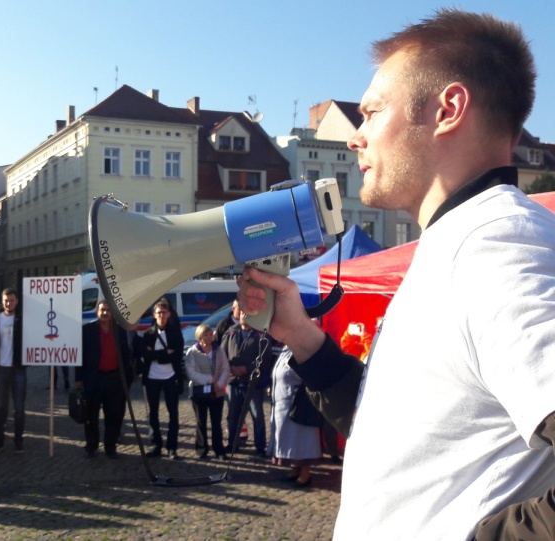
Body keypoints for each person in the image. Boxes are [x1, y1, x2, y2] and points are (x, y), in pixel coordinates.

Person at [236, 10, 555, 539]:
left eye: (372, 112)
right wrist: (303, 339)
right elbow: (406, 438)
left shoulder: (496, 246)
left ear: (448, 110)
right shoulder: (458, 241)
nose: (356, 138)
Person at [76, 300, 132, 459]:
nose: (105, 313)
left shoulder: (120, 330)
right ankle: (91, 446)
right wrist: (78, 378)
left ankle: (110, 446)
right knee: (91, 416)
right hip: (94, 378)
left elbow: (126, 354)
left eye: (108, 310)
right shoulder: (87, 330)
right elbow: (80, 356)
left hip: (114, 379)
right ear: (97, 312)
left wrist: (126, 378)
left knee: (114, 415)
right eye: (102, 310)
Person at [219, 306, 276, 456]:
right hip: (234, 382)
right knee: (233, 416)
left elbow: (264, 358)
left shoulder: (261, 334)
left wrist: (246, 368)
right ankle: (232, 443)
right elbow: (222, 353)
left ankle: (260, 446)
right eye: (243, 313)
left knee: (257, 416)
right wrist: (230, 367)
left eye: (248, 313)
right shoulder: (231, 331)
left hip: (252, 383)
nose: (244, 315)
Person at [268, 346, 321, 488]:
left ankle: (305, 474)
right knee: (290, 440)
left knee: (301, 439)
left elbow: (308, 374)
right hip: (282, 401)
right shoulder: (286, 349)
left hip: (297, 403)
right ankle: (295, 469)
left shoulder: (303, 350)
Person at [0, 288, 27, 454]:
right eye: (6, 300)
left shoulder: (22, 318)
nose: (9, 303)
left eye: (12, 300)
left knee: (19, 408)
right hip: (0, 368)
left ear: (17, 301)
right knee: (0, 407)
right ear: (2, 301)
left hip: (18, 368)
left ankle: (18, 440)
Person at [139, 300, 183, 460]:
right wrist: (166, 353)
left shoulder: (175, 332)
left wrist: (157, 354)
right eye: (159, 313)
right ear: (154, 315)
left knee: (173, 413)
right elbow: (146, 355)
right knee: (153, 413)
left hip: (170, 376)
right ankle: (156, 444)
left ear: (169, 314)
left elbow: (177, 355)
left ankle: (172, 447)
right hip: (152, 377)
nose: (162, 316)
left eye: (164, 313)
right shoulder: (148, 334)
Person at [184, 324, 229, 460]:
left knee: (216, 421)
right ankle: (201, 449)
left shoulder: (219, 350)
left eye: (210, 334)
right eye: (206, 335)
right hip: (199, 390)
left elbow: (225, 368)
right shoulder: (192, 352)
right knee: (200, 421)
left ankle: (219, 449)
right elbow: (191, 372)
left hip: (217, 391)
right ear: (199, 336)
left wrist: (220, 383)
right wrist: (209, 380)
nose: (209, 337)